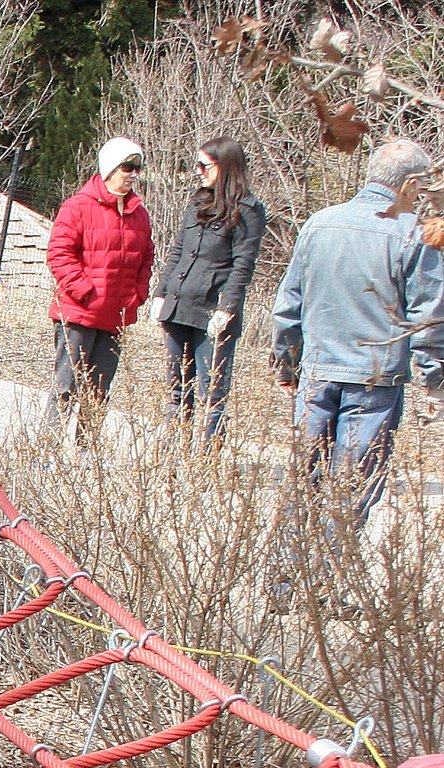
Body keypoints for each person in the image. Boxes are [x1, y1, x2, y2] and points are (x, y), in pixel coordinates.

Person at [271, 137, 444, 524]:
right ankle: (328, 582)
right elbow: (428, 315)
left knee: (301, 489)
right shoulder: (416, 234)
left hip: (317, 374)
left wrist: (288, 365)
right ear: (409, 185)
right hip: (374, 381)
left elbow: (288, 306)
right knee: (349, 493)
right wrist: (434, 380)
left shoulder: (319, 223)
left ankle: (285, 583)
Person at [153, 136, 267, 441]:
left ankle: (206, 461)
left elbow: (243, 266)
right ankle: (172, 456)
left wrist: (227, 308)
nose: (199, 171)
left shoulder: (249, 210)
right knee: (177, 389)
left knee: (211, 393)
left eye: (205, 165)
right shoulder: (197, 201)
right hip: (179, 306)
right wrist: (162, 292)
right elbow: (178, 251)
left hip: (212, 314)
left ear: (225, 166)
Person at [46, 136, 155, 440]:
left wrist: (137, 295)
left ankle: (85, 453)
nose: (133, 174)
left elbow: (147, 255)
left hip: (115, 318)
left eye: (137, 167)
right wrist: (86, 292)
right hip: (78, 314)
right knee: (65, 386)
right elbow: (59, 253)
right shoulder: (78, 207)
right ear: (109, 168)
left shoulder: (139, 214)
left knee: (98, 391)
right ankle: (47, 453)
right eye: (127, 166)